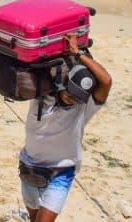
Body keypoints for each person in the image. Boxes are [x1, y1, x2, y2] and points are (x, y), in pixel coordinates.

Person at [19, 34, 112, 222]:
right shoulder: (41, 96)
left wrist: (79, 55)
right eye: (72, 93)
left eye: (80, 96)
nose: (75, 99)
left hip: (60, 173)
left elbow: (107, 81)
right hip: (29, 167)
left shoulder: (84, 108)